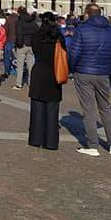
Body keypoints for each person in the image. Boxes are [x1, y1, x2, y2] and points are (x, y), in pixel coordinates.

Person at [65, 4, 111, 157]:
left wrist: (73, 69)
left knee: (89, 110)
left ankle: (93, 145)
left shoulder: (81, 30)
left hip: (84, 72)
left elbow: (74, 52)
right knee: (105, 108)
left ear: (87, 14)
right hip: (103, 73)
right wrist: (109, 70)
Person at [28, 12, 65, 150]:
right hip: (54, 73)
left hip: (39, 71)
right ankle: (51, 141)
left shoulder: (36, 36)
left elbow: (35, 50)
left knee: (37, 108)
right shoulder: (58, 38)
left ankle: (35, 139)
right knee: (52, 109)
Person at [13, 8, 38, 89]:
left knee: (20, 65)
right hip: (31, 45)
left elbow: (19, 34)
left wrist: (19, 44)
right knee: (31, 66)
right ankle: (31, 84)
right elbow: (37, 33)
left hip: (22, 45)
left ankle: (19, 84)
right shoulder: (33, 22)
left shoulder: (19, 22)